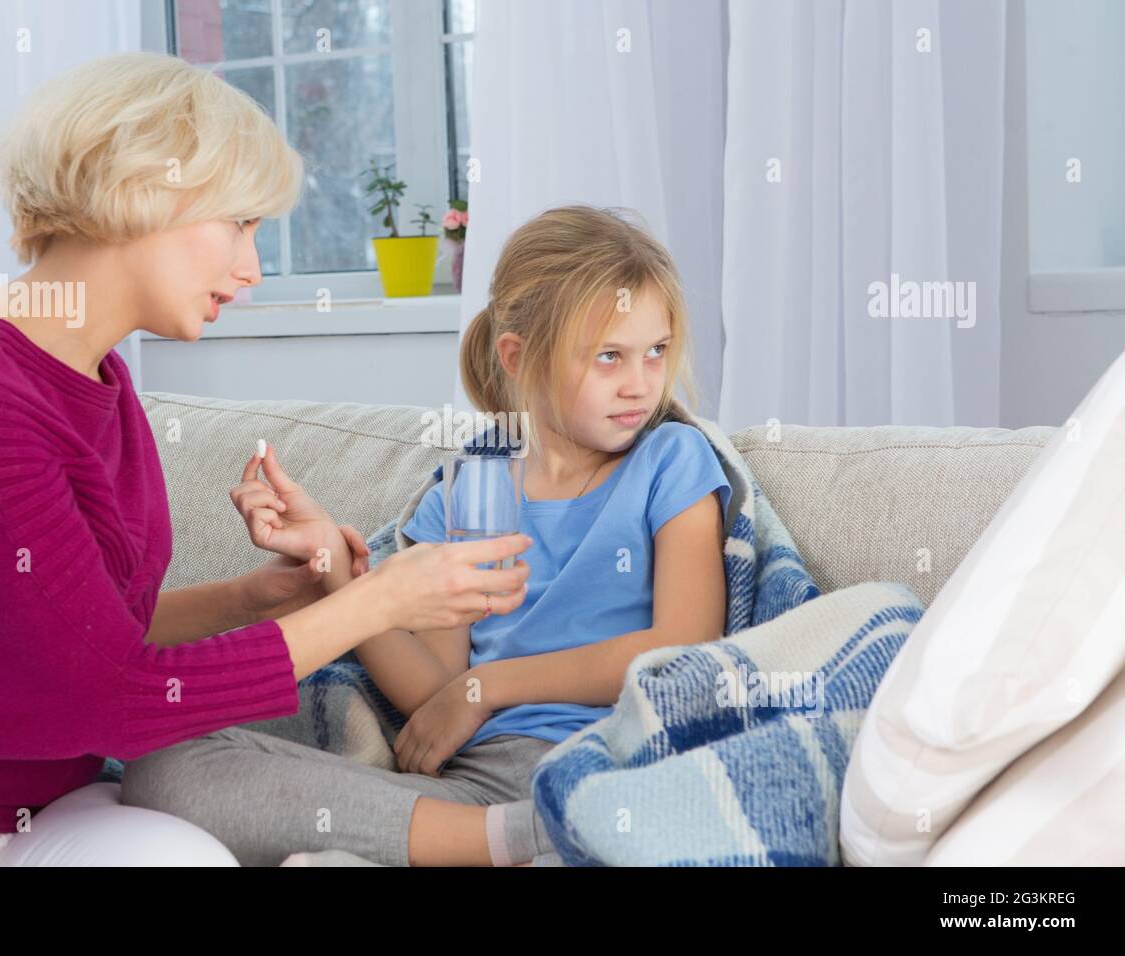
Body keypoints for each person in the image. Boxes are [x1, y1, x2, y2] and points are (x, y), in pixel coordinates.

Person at [0, 52, 531, 867]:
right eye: (239, 223)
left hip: (47, 806)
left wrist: (261, 595)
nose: (253, 269)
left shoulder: (103, 382)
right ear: (140, 190)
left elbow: (80, 636)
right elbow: (110, 696)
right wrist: (380, 602)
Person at [120, 204, 733, 866]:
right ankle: (518, 841)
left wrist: (488, 688)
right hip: (479, 788)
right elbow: (432, 687)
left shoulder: (672, 459)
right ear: (519, 359)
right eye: (610, 357)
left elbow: (682, 646)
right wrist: (333, 563)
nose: (640, 383)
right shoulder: (470, 487)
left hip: (611, 761)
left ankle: (555, 831)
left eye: (656, 352)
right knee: (161, 766)